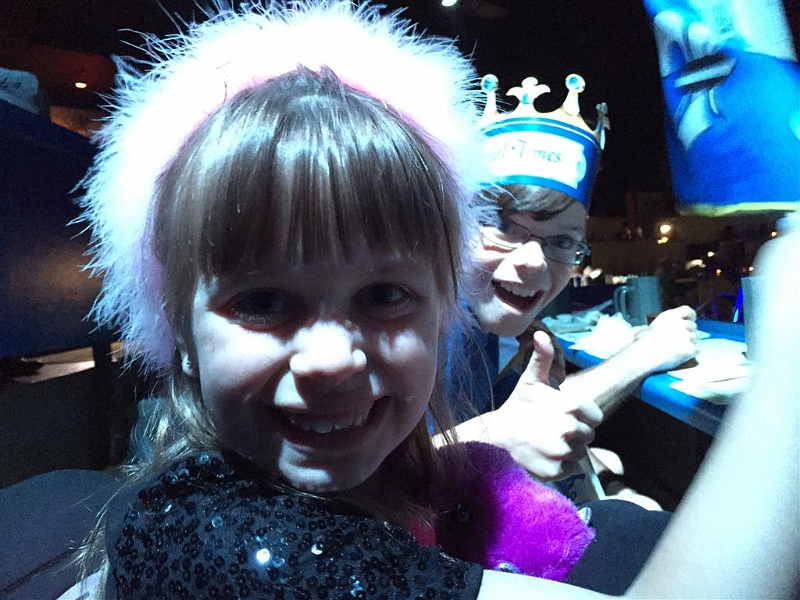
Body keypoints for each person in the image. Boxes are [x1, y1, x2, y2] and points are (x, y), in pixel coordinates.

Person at [74, 2, 799, 599]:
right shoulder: (224, 543)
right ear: (177, 326)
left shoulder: (447, 396)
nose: (331, 358)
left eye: (385, 295)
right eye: (263, 302)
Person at [445, 73, 699, 501]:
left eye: (563, 241)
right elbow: (358, 487)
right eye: (501, 226)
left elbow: (529, 423)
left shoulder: (499, 333)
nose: (534, 262)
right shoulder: (418, 327)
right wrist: (646, 353)